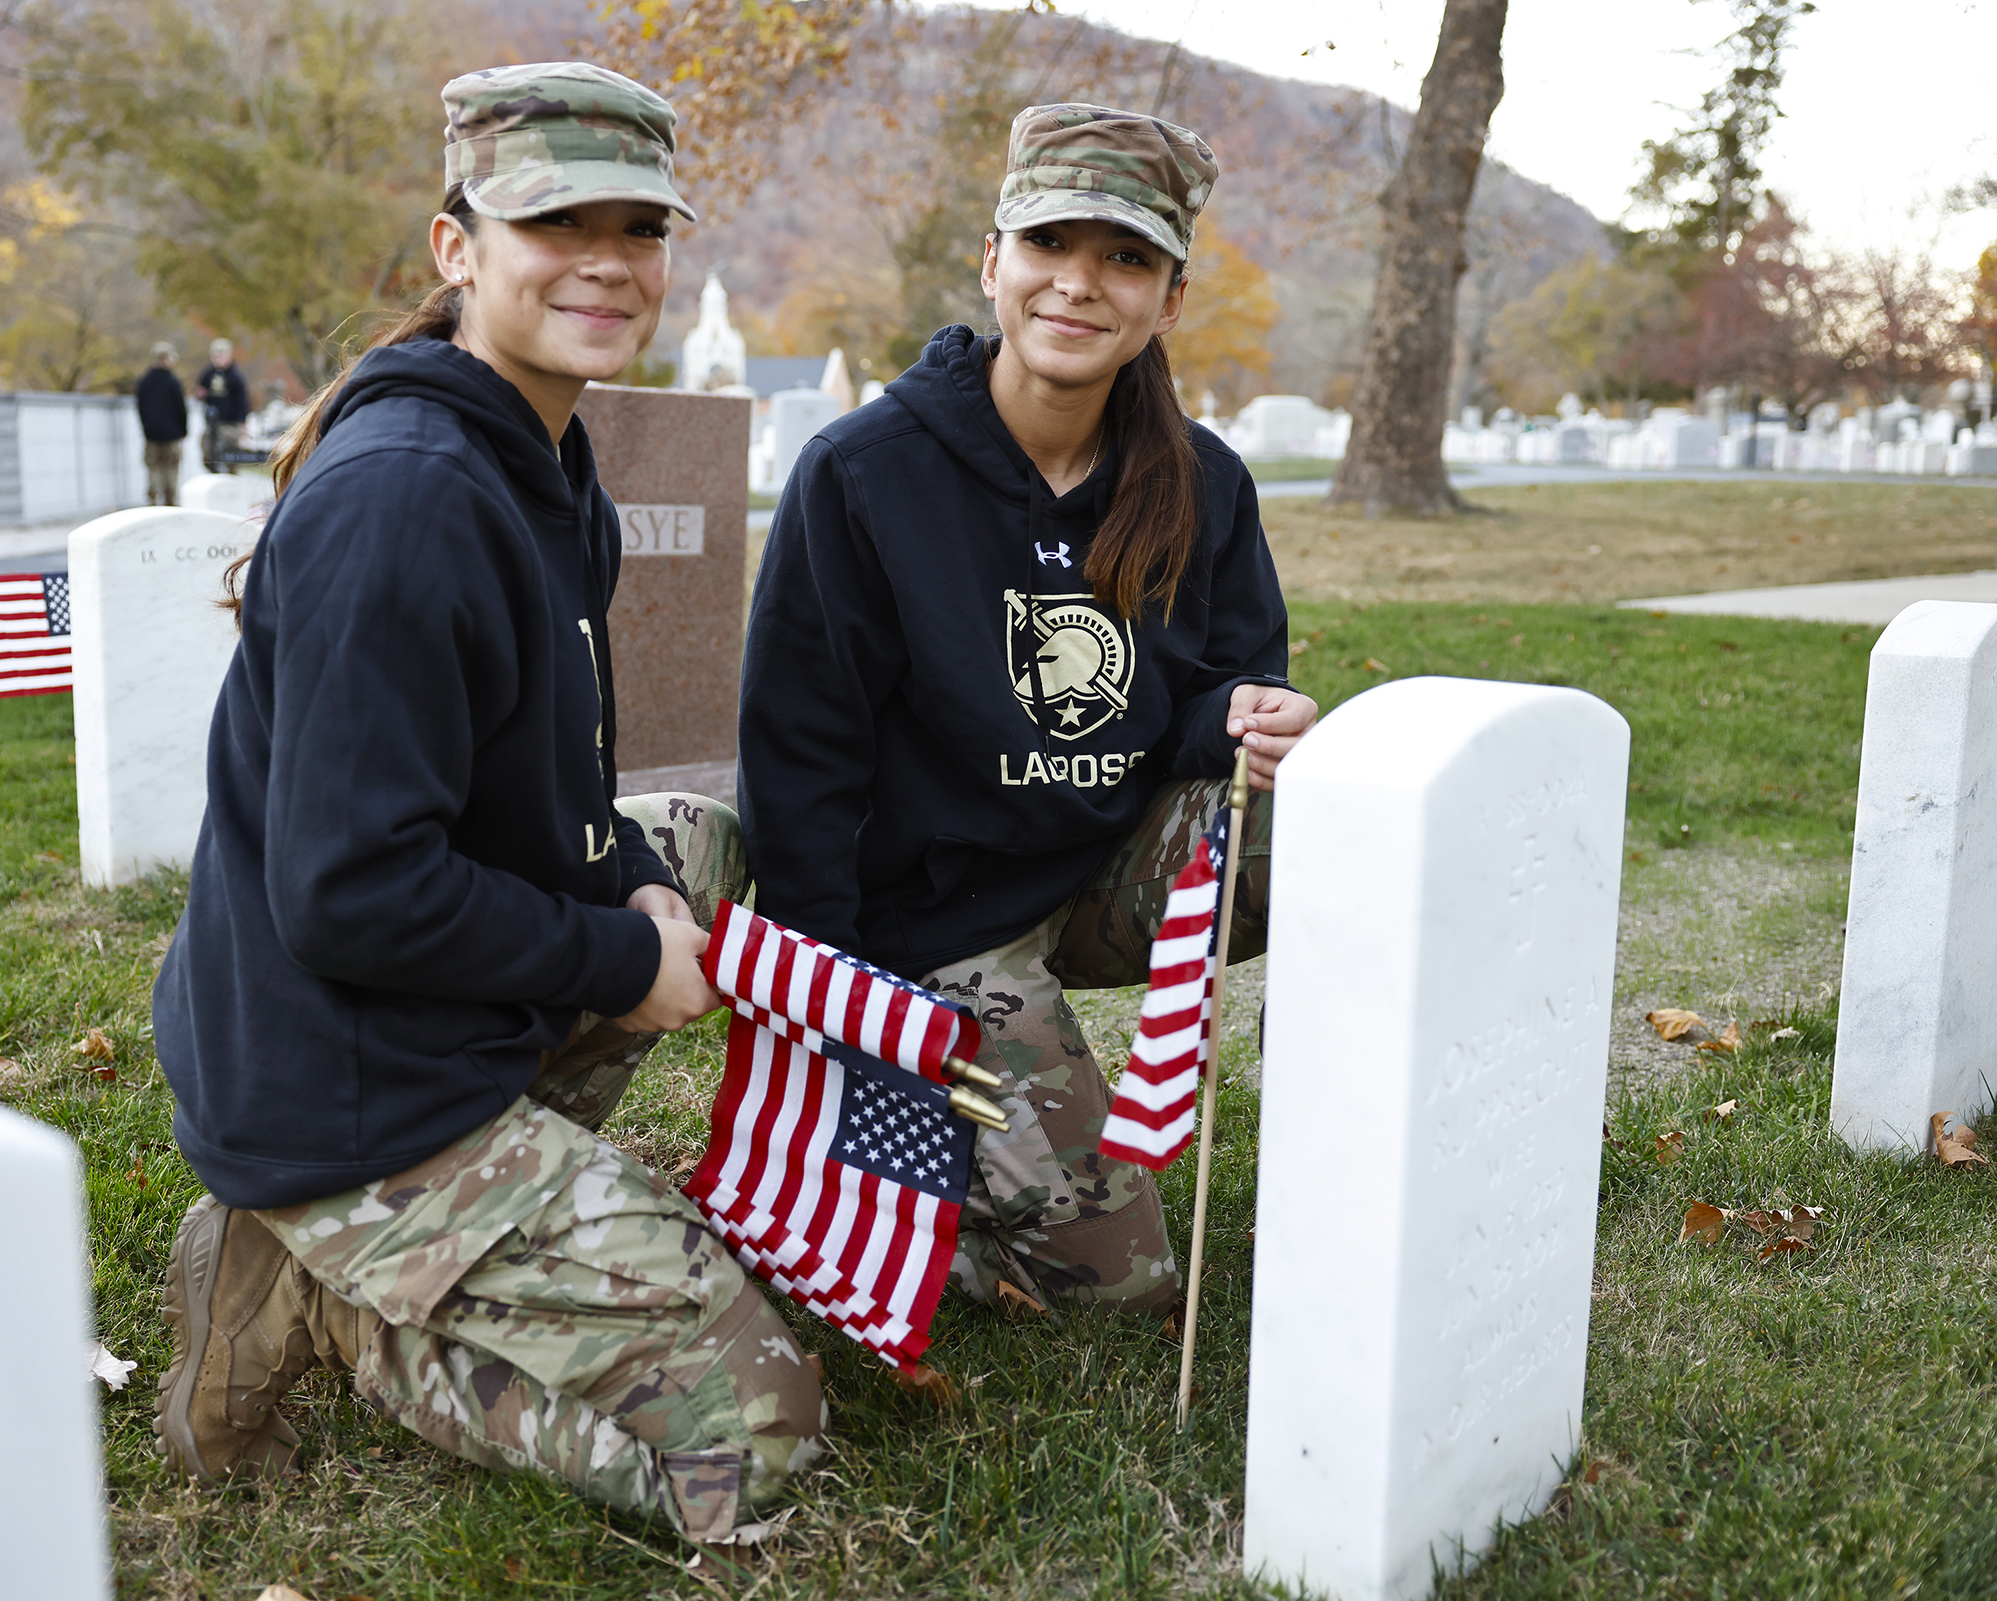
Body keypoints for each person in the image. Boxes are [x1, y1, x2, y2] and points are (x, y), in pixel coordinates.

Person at [146, 61, 822, 1546]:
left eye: (637, 227)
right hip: (339, 1080)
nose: (606, 260)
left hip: (412, 1013)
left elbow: (545, 786)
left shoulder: (544, 459)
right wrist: (620, 961)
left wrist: (637, 881)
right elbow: (351, 890)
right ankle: (332, 1300)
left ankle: (426, 1211)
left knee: (696, 848)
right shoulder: (407, 499)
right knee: (758, 1445)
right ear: (458, 247)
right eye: (552, 221)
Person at [737, 104, 1320, 1318]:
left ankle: (1364, 1141)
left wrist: (1243, 716)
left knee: (1335, 813)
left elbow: (1209, 696)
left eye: (1126, 258)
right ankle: (953, 1163)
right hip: (935, 919)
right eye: (1051, 242)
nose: (1080, 283)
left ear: (1168, 300)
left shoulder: (1200, 480)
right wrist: (838, 1016)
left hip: (1103, 866)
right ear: (993, 260)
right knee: (1121, 1290)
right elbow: (803, 757)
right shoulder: (862, 473)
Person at [135, 342, 187, 505]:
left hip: (151, 435)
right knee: (171, 471)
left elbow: (140, 409)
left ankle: (152, 503)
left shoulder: (144, 382)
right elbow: (181, 409)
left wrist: (146, 429)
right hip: (171, 436)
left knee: (153, 471)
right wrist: (183, 430)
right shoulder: (172, 382)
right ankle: (170, 505)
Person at [195, 337, 250, 472]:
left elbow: (242, 401)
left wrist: (242, 423)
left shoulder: (235, 376)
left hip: (230, 423)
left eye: (220, 354)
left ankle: (231, 478)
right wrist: (201, 394)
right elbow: (200, 390)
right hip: (213, 422)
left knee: (230, 454)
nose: (217, 357)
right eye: (214, 354)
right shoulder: (208, 373)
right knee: (208, 452)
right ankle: (214, 475)